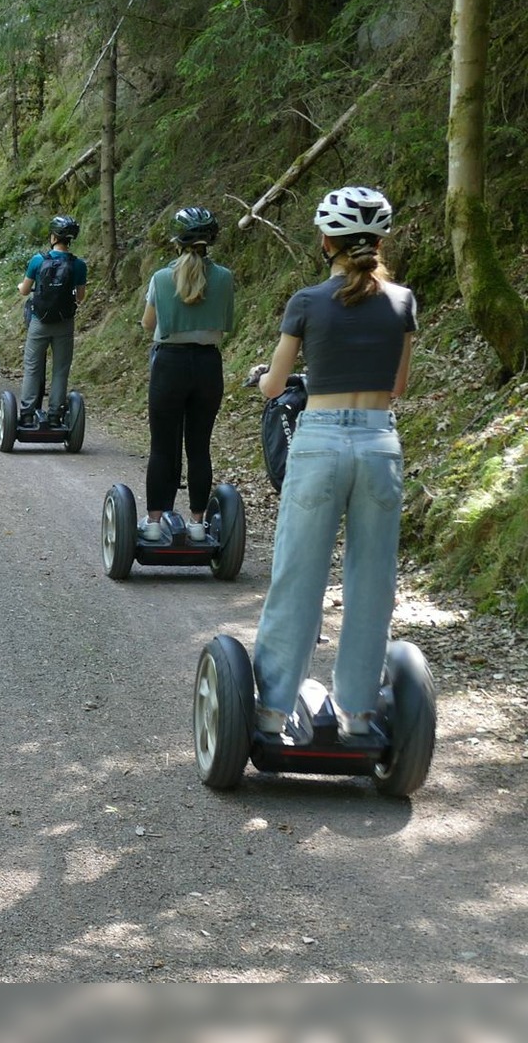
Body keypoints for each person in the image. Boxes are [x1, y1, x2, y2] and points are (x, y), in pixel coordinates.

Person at [250, 186, 417, 739]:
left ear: (327, 241)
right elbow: (397, 386)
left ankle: (272, 711)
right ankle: (359, 713)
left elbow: (276, 385)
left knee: (298, 574)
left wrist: (268, 381)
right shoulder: (402, 302)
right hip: (378, 446)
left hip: (320, 443)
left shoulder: (306, 302)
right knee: (372, 582)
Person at [139, 207, 236, 542]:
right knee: (199, 447)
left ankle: (153, 523)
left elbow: (149, 324)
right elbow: (227, 323)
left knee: (162, 447)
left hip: (169, 364)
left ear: (176, 241)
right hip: (208, 366)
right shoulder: (224, 277)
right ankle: (197, 523)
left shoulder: (161, 278)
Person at [16, 215, 88, 425]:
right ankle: (55, 414)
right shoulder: (79, 265)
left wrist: (22, 288)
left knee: (32, 367)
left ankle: (28, 414)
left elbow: (25, 290)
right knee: (60, 369)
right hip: (64, 323)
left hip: (40, 321)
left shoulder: (38, 260)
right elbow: (80, 297)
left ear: (54, 237)